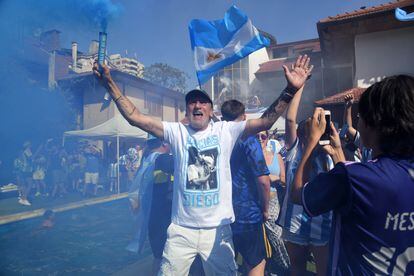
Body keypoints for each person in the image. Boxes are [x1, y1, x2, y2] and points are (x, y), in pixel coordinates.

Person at [94, 54, 313, 275]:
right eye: (192, 102)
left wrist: (290, 89)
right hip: (181, 230)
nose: (197, 105)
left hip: (218, 230)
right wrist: (110, 85)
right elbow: (136, 118)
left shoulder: (225, 131)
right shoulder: (176, 132)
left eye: (202, 102)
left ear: (210, 109)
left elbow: (266, 121)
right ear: (187, 110)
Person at [291, 75, 414, 274]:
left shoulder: (352, 177)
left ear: (374, 124)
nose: (358, 121)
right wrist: (338, 152)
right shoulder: (356, 177)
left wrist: (312, 142)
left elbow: (298, 193)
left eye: (360, 116)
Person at [277, 84, 333, 276]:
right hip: (294, 223)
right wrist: (298, 86)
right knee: (297, 270)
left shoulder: (329, 154)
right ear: (302, 135)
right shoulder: (295, 151)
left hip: (322, 223)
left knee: (324, 272)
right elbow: (291, 118)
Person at [221, 99, 272, 276]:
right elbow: (264, 181)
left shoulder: (216, 138)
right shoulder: (248, 140)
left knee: (224, 264)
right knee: (255, 263)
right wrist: (265, 209)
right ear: (244, 117)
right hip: (247, 214)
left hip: (221, 214)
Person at [257, 131, 290, 275]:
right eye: (256, 136)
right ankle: (282, 265)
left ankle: (284, 265)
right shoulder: (251, 156)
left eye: (263, 136)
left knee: (276, 234)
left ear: (268, 138)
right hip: (257, 200)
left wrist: (272, 178)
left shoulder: (277, 157)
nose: (260, 139)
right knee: (264, 236)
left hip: (275, 200)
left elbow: (284, 179)